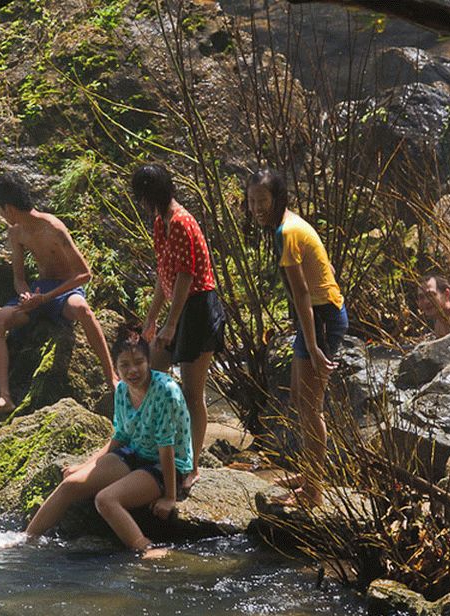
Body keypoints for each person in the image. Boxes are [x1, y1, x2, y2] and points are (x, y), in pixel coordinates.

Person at [25, 323, 193, 555]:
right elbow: (120, 436)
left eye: (139, 363)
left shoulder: (166, 391)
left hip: (167, 464)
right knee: (70, 485)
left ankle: (145, 548)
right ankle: (26, 539)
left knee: (106, 500)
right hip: (136, 453)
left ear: (149, 362)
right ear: (116, 367)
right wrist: (85, 466)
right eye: (125, 365)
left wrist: (170, 497)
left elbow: (166, 447)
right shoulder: (123, 390)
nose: (133, 370)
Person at [247, 168, 347, 508]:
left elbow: (302, 293)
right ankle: (309, 473)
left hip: (321, 319)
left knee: (309, 408)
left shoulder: (287, 233)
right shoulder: (291, 224)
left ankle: (314, 491)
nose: (257, 208)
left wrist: (315, 345)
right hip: (321, 315)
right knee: (299, 401)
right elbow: (327, 269)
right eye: (252, 202)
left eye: (263, 201)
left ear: (278, 199)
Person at [0, 172, 118, 413]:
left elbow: (85, 274)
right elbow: (18, 278)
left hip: (65, 290)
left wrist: (46, 298)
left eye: (1, 210)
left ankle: (112, 379)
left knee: (83, 309)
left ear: (9, 208)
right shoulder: (16, 233)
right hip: (38, 293)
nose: (2, 215)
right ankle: (5, 397)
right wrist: (26, 295)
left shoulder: (53, 227)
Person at [132, 164, 224, 490]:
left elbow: (186, 277)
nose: (141, 203)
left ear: (151, 195)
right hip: (177, 307)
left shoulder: (182, 223)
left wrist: (171, 325)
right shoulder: (161, 223)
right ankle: (156, 452)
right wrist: (151, 319)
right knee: (154, 378)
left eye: (143, 196)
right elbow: (164, 275)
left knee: (191, 391)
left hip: (198, 308)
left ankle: (193, 465)